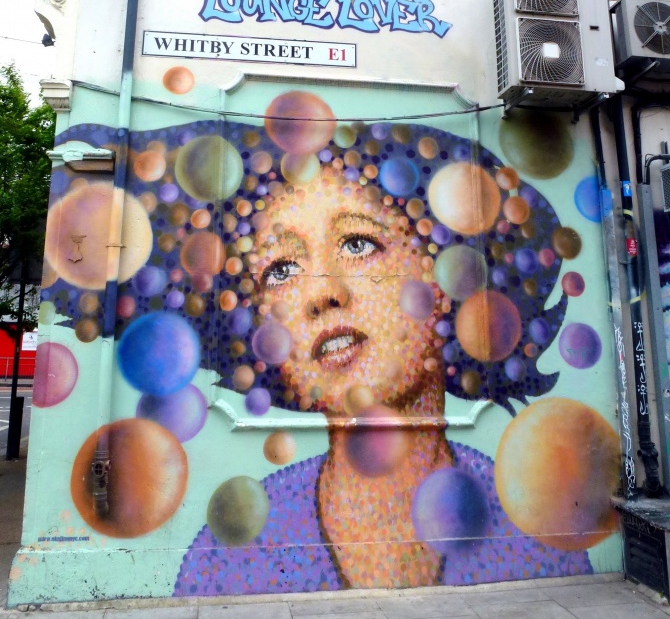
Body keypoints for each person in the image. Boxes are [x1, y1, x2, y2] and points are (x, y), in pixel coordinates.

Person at [169, 95, 591, 595]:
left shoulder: (535, 537)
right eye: (281, 270)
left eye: (358, 244)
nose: (323, 293)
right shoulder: (226, 561)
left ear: (445, 274)